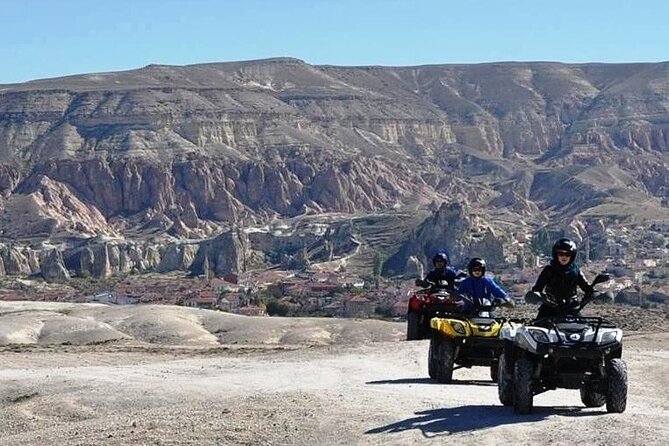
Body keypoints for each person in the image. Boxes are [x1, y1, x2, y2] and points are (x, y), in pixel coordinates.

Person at [527, 238, 593, 319]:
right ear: (556, 254)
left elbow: (586, 287)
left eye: (567, 254)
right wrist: (534, 296)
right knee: (537, 328)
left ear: (572, 255)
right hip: (550, 308)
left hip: (571, 309)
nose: (564, 257)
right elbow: (537, 289)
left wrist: (595, 293)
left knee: (584, 328)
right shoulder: (549, 270)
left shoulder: (576, 270)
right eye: (560, 253)